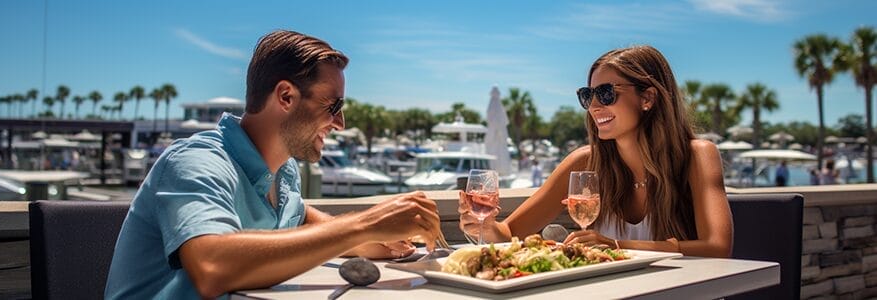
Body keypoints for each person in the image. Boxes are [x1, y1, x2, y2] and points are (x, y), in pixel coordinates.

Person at [105, 30, 441, 299]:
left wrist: (368, 241)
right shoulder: (197, 163)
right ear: (285, 97)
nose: (339, 122)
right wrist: (365, 225)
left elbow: (300, 217)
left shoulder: (284, 172)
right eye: (332, 105)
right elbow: (211, 267)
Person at [459, 45, 732, 258]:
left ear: (647, 98)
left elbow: (718, 247)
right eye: (588, 96)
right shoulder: (585, 163)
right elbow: (509, 234)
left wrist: (616, 246)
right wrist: (483, 225)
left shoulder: (697, 156)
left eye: (606, 93)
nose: (594, 106)